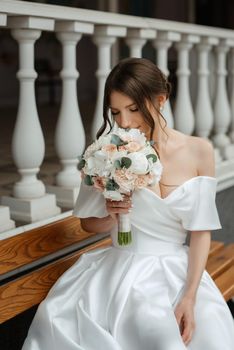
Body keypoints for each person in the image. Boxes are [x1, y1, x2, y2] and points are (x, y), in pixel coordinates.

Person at [22, 57, 234, 350]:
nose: (123, 122)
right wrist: (111, 215)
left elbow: (200, 232)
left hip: (178, 269)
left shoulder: (200, 150)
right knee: (157, 332)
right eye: (115, 111)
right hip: (122, 268)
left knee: (208, 326)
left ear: (160, 99)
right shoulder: (106, 153)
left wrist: (189, 296)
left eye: (133, 109)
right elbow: (87, 224)